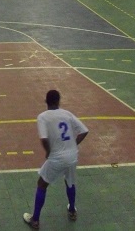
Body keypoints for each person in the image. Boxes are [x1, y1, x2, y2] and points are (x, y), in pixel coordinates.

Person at [22, 90, 89, 230]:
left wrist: (48, 152)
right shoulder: (67, 114)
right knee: (70, 182)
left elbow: (44, 139)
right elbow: (84, 131)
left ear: (46, 101)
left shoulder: (43, 117)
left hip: (57, 158)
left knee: (41, 184)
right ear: (59, 101)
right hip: (72, 156)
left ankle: (35, 220)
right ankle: (72, 211)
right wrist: (73, 145)